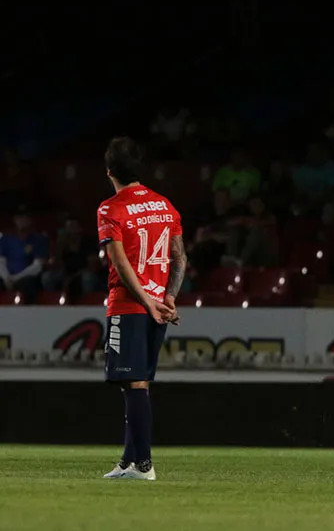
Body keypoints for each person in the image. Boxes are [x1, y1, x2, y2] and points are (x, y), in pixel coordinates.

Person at [97, 137, 187, 481]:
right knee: (138, 383)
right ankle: (128, 461)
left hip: (131, 305)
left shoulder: (111, 208)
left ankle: (145, 466)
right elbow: (180, 257)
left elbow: (120, 262)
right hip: (158, 306)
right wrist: (168, 298)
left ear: (110, 173)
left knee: (132, 382)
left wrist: (147, 301)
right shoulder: (166, 205)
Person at [0, 204, 48, 303]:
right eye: (19, 217)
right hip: (7, 277)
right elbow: (1, 262)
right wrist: (6, 278)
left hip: (26, 278)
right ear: (14, 220)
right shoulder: (5, 240)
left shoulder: (38, 240)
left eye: (25, 217)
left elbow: (37, 266)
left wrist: (15, 278)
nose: (22, 220)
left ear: (30, 220)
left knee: (28, 284)